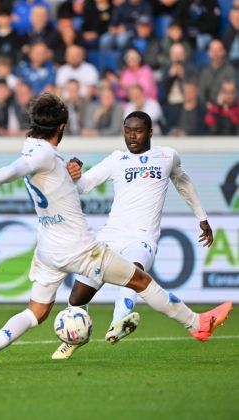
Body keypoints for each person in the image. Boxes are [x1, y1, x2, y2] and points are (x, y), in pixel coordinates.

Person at [0, 93, 231, 369]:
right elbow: (16, 168)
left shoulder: (33, 146)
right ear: (61, 127)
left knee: (36, 312)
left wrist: (71, 170)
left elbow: (40, 168)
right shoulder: (44, 155)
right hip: (81, 249)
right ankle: (198, 324)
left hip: (48, 250)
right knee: (141, 281)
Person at [51, 110, 213, 360]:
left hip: (142, 238)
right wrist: (73, 175)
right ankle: (73, 337)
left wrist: (201, 217)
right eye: (127, 132)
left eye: (137, 131)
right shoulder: (117, 160)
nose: (132, 137)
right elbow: (84, 186)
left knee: (135, 271)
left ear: (150, 132)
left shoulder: (167, 156)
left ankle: (118, 323)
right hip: (109, 237)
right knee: (77, 297)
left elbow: (183, 182)